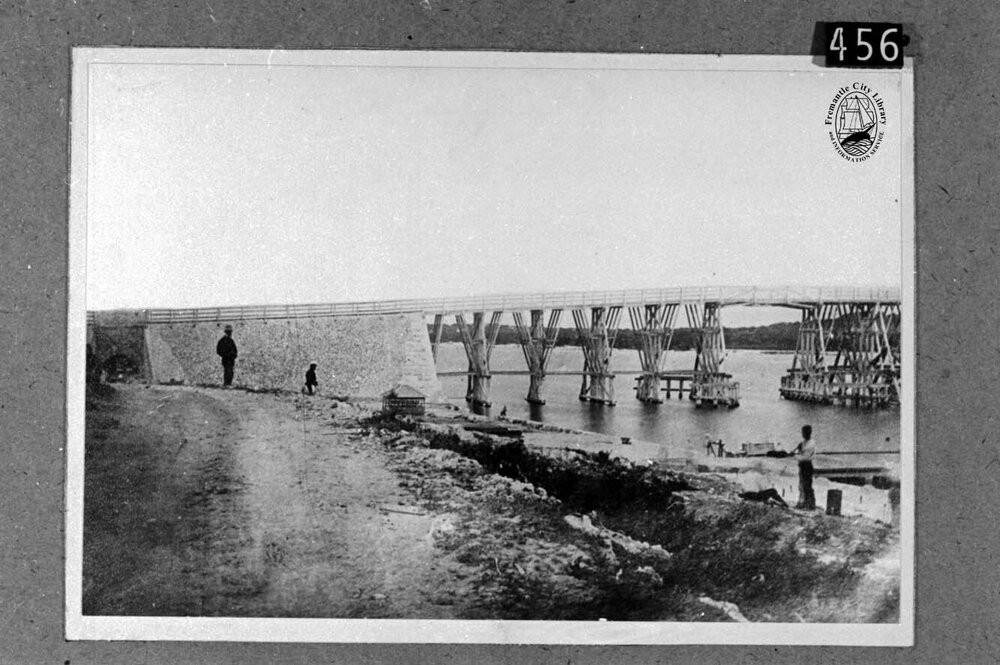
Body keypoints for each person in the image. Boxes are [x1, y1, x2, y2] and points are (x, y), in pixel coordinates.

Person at [791, 424, 817, 510]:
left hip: (807, 465)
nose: (802, 434)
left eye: (803, 432)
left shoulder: (811, 443)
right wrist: (795, 450)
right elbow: (797, 450)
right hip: (802, 466)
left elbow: (805, 457)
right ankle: (802, 502)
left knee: (807, 486)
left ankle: (810, 505)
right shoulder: (803, 443)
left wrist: (795, 456)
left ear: (808, 433)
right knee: (801, 485)